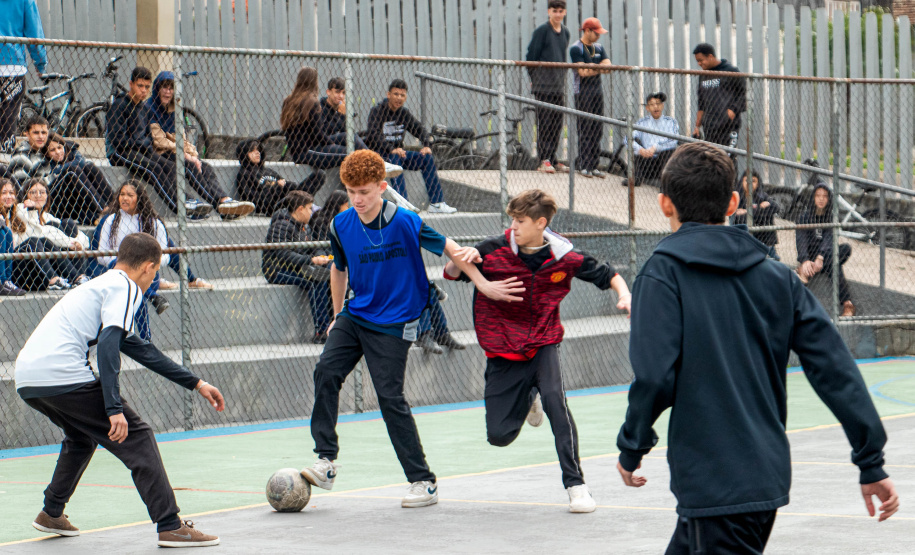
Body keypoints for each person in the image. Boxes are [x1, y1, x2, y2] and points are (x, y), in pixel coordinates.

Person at [615, 143, 897, 553]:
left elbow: (656, 376)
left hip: (713, 484)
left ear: (663, 204)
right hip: (757, 475)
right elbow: (834, 367)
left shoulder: (661, 276)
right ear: (733, 202)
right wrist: (869, 457)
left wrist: (633, 444)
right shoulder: (778, 278)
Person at [299, 150, 516, 507]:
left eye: (365, 191)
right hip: (356, 313)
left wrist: (483, 284)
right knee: (325, 371)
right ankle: (326, 460)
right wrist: (338, 314)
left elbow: (451, 248)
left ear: (382, 187)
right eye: (351, 190)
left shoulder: (404, 221)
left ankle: (422, 481)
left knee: (389, 398)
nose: (357, 199)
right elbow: (339, 270)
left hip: (396, 320)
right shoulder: (341, 225)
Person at [15, 232, 224, 548]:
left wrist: (197, 383)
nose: (153, 278)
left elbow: (138, 347)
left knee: (82, 437)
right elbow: (109, 346)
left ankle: (51, 512)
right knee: (138, 436)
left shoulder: (102, 284)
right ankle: (170, 525)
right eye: (155, 272)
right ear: (148, 268)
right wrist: (113, 409)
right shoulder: (125, 286)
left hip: (29, 378)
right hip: (62, 373)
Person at [444, 188, 631, 513]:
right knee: (499, 435)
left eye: (520, 220)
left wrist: (624, 295)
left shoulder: (565, 257)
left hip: (543, 342)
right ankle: (528, 398)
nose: (513, 225)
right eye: (512, 219)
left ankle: (576, 485)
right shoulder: (492, 249)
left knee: (557, 404)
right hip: (503, 349)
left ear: (541, 222)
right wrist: (463, 259)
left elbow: (609, 274)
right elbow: (452, 273)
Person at [106, 66, 253, 220]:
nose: (143, 90)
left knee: (172, 167)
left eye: (146, 87)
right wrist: (141, 144)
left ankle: (213, 204)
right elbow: (119, 140)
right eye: (140, 86)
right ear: (131, 84)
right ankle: (182, 208)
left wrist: (188, 153)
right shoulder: (121, 105)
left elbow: (148, 138)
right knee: (155, 168)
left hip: (143, 150)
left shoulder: (144, 108)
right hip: (121, 152)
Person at [95, 180, 213, 338]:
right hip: (119, 273)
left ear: (140, 198)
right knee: (135, 289)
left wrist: (149, 265)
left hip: (148, 275)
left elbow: (165, 256)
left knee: (136, 286)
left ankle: (150, 304)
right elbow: (102, 254)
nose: (124, 198)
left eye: (130, 195)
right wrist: (119, 265)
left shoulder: (153, 223)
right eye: (122, 194)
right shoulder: (111, 221)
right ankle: (147, 333)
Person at [365, 79, 457, 214]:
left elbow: (419, 129)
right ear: (388, 94)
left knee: (426, 158)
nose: (399, 98)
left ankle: (437, 203)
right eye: (396, 94)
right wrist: (391, 148)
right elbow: (373, 135)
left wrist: (426, 145)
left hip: (399, 153)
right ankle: (403, 204)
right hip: (381, 154)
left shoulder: (404, 113)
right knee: (394, 157)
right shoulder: (377, 111)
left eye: (402, 95)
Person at [262, 191, 333, 344]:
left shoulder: (304, 227)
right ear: (300, 209)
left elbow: (314, 247)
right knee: (315, 282)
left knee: (327, 274)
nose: (311, 211)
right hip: (276, 270)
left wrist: (320, 256)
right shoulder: (281, 225)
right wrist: (310, 260)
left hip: (298, 267)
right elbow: (282, 254)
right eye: (309, 208)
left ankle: (331, 325)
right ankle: (322, 331)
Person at [9, 177, 89, 291]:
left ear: (47, 196)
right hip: (25, 265)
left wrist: (76, 243)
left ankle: (77, 278)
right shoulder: (20, 211)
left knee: (68, 225)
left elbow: (85, 240)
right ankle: (59, 279)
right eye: (33, 192)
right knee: (42, 241)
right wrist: (31, 210)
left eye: (42, 192)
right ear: (26, 195)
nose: (38, 195)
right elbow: (36, 237)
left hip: (43, 264)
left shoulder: (48, 217)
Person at [795, 181, 856, 316]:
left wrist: (821, 257)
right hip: (810, 255)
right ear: (813, 198)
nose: (821, 199)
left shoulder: (831, 217)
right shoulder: (805, 217)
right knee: (835, 264)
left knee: (845, 248)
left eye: (825, 196)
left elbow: (830, 239)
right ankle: (847, 304)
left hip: (824, 256)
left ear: (829, 199)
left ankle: (806, 272)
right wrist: (805, 260)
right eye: (818, 196)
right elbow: (801, 240)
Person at [526, 0, 571, 174]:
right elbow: (531, 56)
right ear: (548, 12)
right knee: (544, 123)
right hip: (543, 86)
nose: (558, 14)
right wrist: (534, 78)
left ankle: (553, 158)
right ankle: (543, 160)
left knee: (556, 124)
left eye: (561, 11)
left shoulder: (565, 33)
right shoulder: (542, 31)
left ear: (564, 12)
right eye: (555, 11)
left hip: (558, 86)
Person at [36, 132, 114, 224]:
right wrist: (65, 170)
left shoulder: (72, 150)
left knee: (90, 167)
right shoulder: (44, 162)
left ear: (64, 146)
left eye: (59, 147)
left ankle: (114, 205)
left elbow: (82, 163)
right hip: (54, 201)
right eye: (52, 150)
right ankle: (104, 210)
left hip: (73, 200)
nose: (57, 152)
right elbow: (49, 181)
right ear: (47, 154)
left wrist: (60, 170)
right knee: (72, 171)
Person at [0, 0, 47, 153]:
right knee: (9, 113)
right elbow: (35, 35)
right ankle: (4, 152)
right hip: (12, 65)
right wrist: (40, 64)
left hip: (12, 65)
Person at [234, 138, 324, 215]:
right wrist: (276, 187)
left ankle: (304, 203)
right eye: (252, 151)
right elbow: (254, 200)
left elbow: (285, 184)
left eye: (258, 150)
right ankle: (306, 205)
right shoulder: (244, 174)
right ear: (244, 154)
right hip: (274, 206)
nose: (257, 153)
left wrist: (287, 185)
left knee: (320, 175)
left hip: (288, 199)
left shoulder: (268, 171)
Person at [569, 17, 611, 179]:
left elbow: (609, 67)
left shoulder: (599, 47)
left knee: (597, 128)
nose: (599, 36)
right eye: (596, 33)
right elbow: (582, 73)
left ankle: (593, 165)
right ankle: (584, 165)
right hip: (583, 92)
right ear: (587, 31)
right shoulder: (576, 48)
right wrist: (599, 67)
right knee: (585, 128)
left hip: (597, 91)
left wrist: (594, 67)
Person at [691, 43, 746, 151]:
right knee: (712, 158)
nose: (699, 64)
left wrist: (731, 112)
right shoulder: (703, 76)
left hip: (728, 126)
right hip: (710, 127)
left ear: (710, 56)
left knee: (727, 158)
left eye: (701, 60)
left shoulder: (730, 71)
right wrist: (697, 126)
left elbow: (743, 95)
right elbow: (701, 103)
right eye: (697, 61)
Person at [626, 92, 679, 187]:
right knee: (635, 142)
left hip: (662, 161)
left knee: (668, 151)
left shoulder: (671, 122)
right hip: (646, 161)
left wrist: (656, 148)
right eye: (652, 104)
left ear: (662, 106)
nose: (656, 107)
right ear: (647, 108)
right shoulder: (642, 122)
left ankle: (665, 184)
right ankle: (636, 179)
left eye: (658, 103)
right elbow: (627, 139)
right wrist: (640, 150)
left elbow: (674, 141)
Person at [730, 169, 779, 256]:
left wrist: (747, 211)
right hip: (742, 232)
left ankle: (771, 251)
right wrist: (760, 210)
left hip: (760, 232)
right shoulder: (736, 196)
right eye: (747, 180)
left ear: (758, 183)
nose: (750, 184)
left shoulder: (761, 195)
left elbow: (776, 208)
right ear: (742, 181)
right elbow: (736, 216)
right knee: (746, 218)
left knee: (767, 218)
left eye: (753, 181)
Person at [320, 76, 369, 151]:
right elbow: (325, 132)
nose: (341, 96)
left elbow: (345, 130)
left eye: (343, 93)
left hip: (335, 143)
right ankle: (374, 159)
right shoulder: (320, 108)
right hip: (322, 144)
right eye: (337, 92)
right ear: (328, 92)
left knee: (354, 140)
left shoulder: (341, 108)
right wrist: (340, 115)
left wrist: (345, 116)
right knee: (349, 138)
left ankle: (374, 158)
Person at [0, 178, 27, 295]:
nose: (8, 196)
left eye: (11, 193)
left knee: (7, 232)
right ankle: (1, 281)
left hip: (14, 258)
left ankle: (6, 280)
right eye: (4, 193)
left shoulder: (14, 214)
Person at [9, 115, 49, 182]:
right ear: (27, 134)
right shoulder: (21, 156)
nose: (41, 136)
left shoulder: (43, 152)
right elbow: (22, 187)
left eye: (44, 133)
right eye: (36, 133)